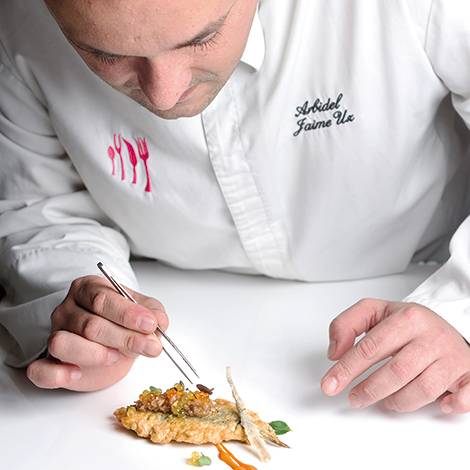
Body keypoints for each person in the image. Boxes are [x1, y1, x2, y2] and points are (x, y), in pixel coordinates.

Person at [1, 0, 470, 413]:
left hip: (423, 287)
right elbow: (40, 204)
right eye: (106, 55)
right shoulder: (19, 21)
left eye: (202, 38)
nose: (165, 95)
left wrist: (459, 310)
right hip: (168, 326)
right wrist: (81, 304)